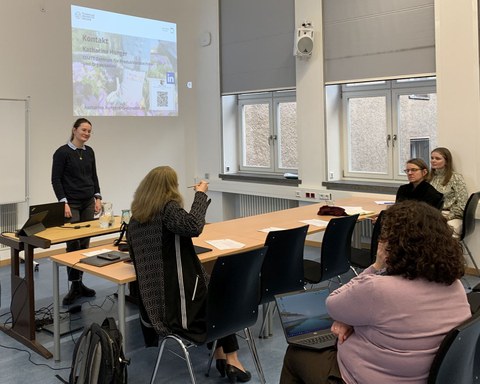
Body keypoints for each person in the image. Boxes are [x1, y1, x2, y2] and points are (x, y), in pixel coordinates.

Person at [280, 200, 471, 384]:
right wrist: (351, 321)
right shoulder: (454, 285)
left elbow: (333, 304)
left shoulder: (378, 289)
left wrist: (376, 266)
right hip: (422, 376)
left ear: (394, 244)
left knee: (296, 354)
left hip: (366, 377)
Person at [126, 166, 252, 383]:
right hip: (180, 309)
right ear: (170, 188)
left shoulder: (135, 220)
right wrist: (201, 195)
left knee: (213, 289)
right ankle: (231, 358)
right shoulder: (168, 209)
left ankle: (222, 354)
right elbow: (193, 225)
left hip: (154, 307)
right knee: (222, 296)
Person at [51, 118, 102, 305]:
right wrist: (63, 202)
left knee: (84, 243)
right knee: (73, 245)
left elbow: (94, 176)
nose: (86, 134)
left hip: (88, 201)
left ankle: (80, 284)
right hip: (71, 203)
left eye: (89, 131)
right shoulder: (62, 152)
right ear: (74, 130)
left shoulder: (89, 152)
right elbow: (55, 179)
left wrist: (98, 197)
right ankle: (73, 286)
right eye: (83, 130)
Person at [428, 147, 468, 235]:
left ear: (446, 161)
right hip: (432, 214)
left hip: (451, 215)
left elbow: (462, 204)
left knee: (440, 232)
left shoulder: (456, 178)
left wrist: (448, 216)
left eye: (437, 158)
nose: (433, 161)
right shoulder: (429, 178)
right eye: (432, 158)